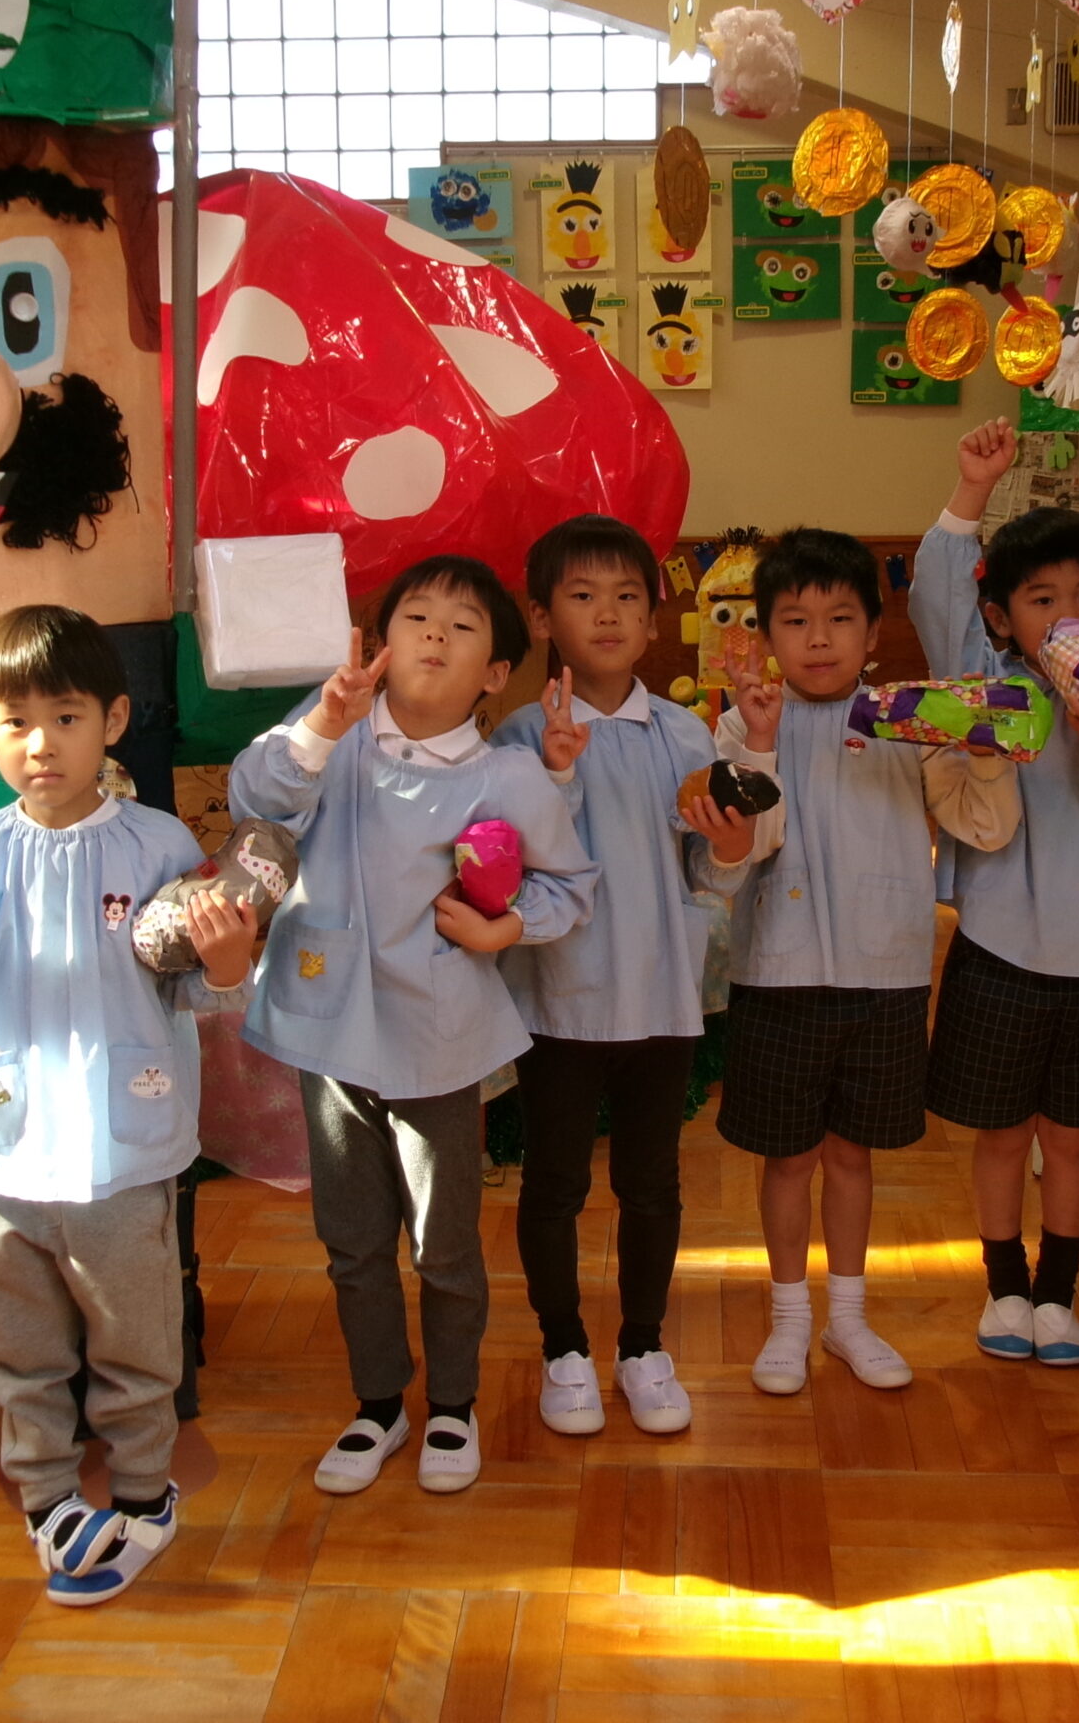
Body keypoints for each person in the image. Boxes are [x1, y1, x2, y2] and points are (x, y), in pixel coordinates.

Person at [0, 605, 256, 1606]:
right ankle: (47, 1498)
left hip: (121, 1148)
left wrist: (227, 966)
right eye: (16, 722)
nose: (41, 744)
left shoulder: (159, 844)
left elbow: (195, 989)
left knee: (136, 1330)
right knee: (17, 1341)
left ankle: (144, 1489)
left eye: (66, 718)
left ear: (112, 721)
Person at [232, 555, 598, 1495]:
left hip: (438, 1037)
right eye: (416, 616)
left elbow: (570, 887)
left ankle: (453, 1405)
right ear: (378, 643)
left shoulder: (508, 776)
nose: (435, 632)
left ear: (494, 674)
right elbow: (256, 800)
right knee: (352, 1238)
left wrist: (504, 928)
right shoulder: (335, 740)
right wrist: (322, 724)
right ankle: (378, 1404)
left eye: (463, 625)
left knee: (445, 1241)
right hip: (328, 1031)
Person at [716, 526, 1020, 1395]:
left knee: (853, 1157)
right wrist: (760, 745)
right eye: (795, 620)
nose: (818, 640)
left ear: (873, 632)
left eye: (840, 618)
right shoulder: (740, 722)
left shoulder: (908, 721)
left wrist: (984, 758)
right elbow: (742, 853)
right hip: (778, 974)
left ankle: (847, 1317)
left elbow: (984, 827)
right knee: (789, 1160)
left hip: (885, 975)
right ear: (766, 633)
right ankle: (789, 1317)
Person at [909, 419, 1079, 1367]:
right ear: (1003, 619)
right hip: (999, 951)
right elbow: (938, 599)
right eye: (1041, 599)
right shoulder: (987, 691)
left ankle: (1058, 1296)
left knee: (1070, 1140)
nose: (1068, 616)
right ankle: (1005, 1289)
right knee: (998, 1136)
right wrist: (971, 490)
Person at [493, 514, 764, 1438]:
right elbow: (509, 862)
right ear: (542, 618)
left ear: (653, 621)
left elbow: (711, 874)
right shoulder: (517, 737)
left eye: (626, 598)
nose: (607, 615)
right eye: (582, 596)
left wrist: (731, 848)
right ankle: (563, 1347)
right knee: (555, 1184)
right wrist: (555, 776)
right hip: (557, 1001)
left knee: (653, 1185)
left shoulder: (686, 736)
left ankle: (644, 1345)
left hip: (659, 996)